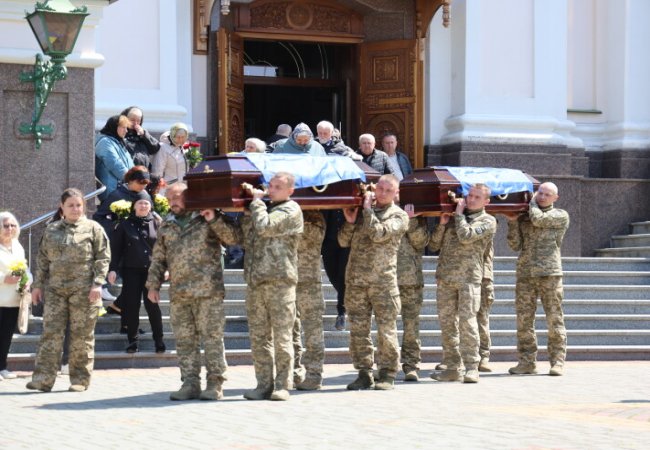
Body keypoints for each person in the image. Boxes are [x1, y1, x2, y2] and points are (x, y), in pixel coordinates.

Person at [146, 183, 241, 401]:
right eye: (169, 199)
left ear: (189, 197)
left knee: (212, 339)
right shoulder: (167, 224)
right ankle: (190, 383)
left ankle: (215, 383)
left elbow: (233, 238)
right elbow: (159, 257)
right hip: (180, 293)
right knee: (184, 340)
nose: (172, 203)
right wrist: (153, 285)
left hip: (208, 291)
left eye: (176, 198)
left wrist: (213, 219)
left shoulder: (206, 217)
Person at [27, 188, 111, 392]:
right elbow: (42, 260)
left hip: (84, 291)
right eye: (70, 205)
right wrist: (37, 286)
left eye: (79, 205)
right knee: (50, 334)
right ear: (62, 207)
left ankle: (80, 379)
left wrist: (98, 284)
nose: (75, 209)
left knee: (81, 336)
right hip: (55, 291)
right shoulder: (51, 229)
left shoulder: (93, 228)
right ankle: (43, 379)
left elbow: (103, 257)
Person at [338, 174, 408, 390]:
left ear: (396, 193)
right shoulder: (363, 213)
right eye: (380, 189)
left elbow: (378, 234)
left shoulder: (399, 216)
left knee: (386, 330)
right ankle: (364, 372)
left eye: (388, 190)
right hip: (356, 281)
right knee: (358, 330)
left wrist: (367, 210)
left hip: (382, 283)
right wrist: (350, 222)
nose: (382, 193)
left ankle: (387, 373)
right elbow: (342, 241)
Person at [238, 172, 303, 401]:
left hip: (279, 282)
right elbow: (245, 237)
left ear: (290, 191)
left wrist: (256, 203)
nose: (271, 190)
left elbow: (265, 227)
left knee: (282, 337)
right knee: (259, 337)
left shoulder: (290, 209)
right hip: (256, 281)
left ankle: (282, 385)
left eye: (277, 187)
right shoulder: (265, 209)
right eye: (271, 186)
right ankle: (263, 385)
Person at [428, 184, 497, 384]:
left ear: (486, 202)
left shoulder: (488, 221)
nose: (471, 200)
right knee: (447, 324)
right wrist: (442, 224)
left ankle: (472, 367)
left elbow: (467, 236)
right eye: (469, 195)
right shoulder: (453, 218)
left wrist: (458, 215)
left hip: (469, 279)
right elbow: (433, 245)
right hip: (446, 278)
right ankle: (452, 367)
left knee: (468, 323)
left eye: (476, 197)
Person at [506, 182, 570, 376]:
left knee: (554, 318)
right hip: (526, 274)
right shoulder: (525, 217)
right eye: (539, 193)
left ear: (555, 198)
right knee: (524, 320)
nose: (541, 197)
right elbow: (515, 245)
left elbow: (539, 219)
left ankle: (557, 362)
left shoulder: (560, 215)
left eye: (546, 194)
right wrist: (513, 222)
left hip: (549, 273)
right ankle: (527, 362)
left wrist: (531, 201)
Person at [108, 191, 165, 354]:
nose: (143, 206)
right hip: (131, 270)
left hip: (151, 272)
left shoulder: (157, 223)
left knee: (152, 306)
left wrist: (166, 268)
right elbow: (116, 250)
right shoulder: (124, 224)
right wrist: (113, 269)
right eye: (140, 203)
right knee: (131, 306)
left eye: (146, 203)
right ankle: (132, 341)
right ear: (134, 206)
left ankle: (159, 340)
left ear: (150, 206)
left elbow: (164, 248)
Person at [93, 165, 152, 304]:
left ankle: (119, 305)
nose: (143, 186)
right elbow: (99, 216)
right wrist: (115, 225)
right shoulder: (117, 195)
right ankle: (106, 287)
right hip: (121, 238)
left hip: (138, 241)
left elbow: (151, 215)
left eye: (145, 183)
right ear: (131, 180)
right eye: (140, 182)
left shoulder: (145, 195)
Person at [294, 211, 326, 391]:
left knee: (313, 330)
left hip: (308, 282)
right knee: (288, 330)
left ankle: (314, 374)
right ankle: (293, 372)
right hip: (283, 279)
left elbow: (311, 237)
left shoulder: (314, 217)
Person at [397, 208, 429, 381]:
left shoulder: (417, 215)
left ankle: (411, 366)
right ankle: (385, 365)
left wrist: (411, 220)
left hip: (410, 279)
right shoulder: (380, 212)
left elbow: (421, 242)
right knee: (385, 327)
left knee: (411, 327)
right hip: (384, 278)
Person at [0, 212, 31, 381]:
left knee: (6, 336)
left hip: (13, 300)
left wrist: (27, 281)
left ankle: (2, 367)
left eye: (13, 225)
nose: (10, 229)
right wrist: (4, 278)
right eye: (6, 225)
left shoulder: (17, 246)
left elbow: (25, 269)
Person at [95, 115, 134, 202]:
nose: (126, 131)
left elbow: (130, 164)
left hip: (121, 189)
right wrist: (133, 179)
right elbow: (115, 164)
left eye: (126, 128)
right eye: (123, 127)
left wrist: (136, 175)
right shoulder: (105, 142)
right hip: (112, 191)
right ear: (115, 127)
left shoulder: (118, 142)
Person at [477, 240, 495, 372]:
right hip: (460, 276)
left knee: (482, 319)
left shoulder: (486, 227)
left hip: (483, 277)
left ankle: (483, 357)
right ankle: (454, 357)